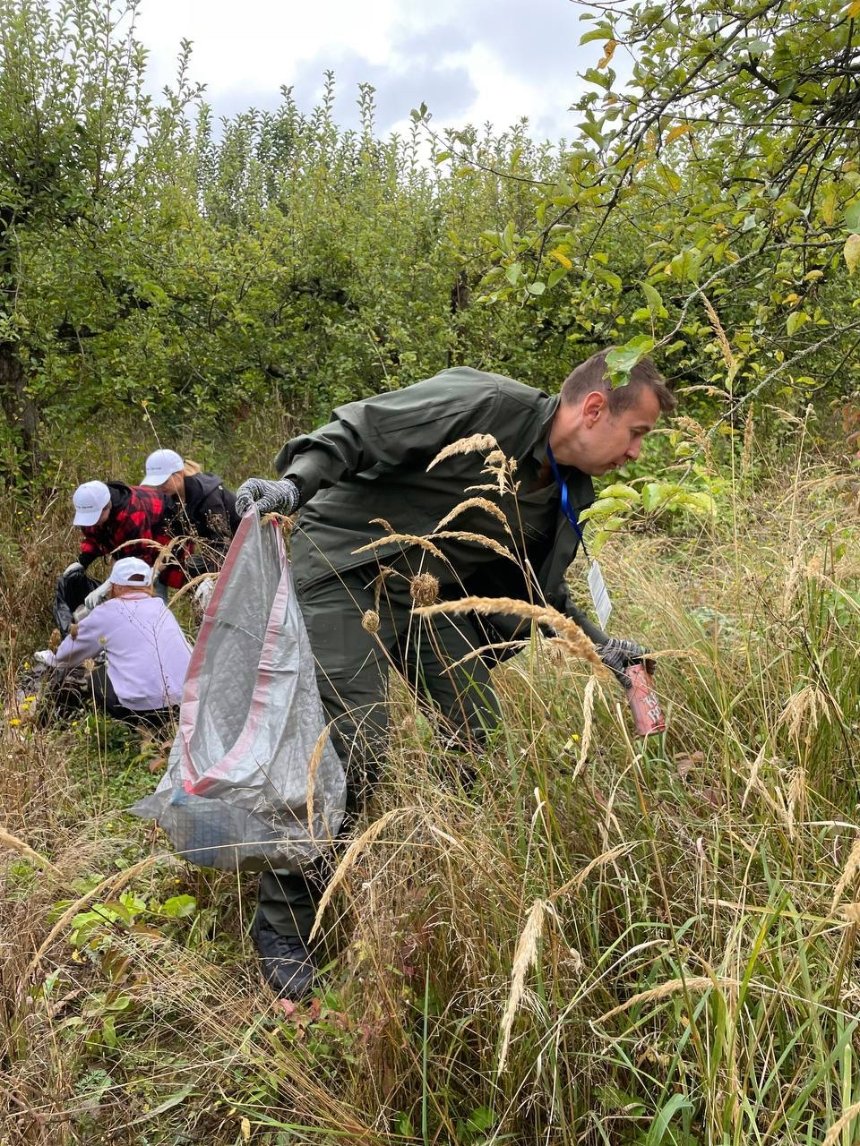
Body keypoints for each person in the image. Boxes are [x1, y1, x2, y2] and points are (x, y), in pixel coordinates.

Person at [235, 349, 677, 998]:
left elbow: (536, 585)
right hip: (345, 564)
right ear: (592, 409)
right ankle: (284, 923)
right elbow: (362, 428)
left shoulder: (567, 487)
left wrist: (602, 646)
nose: (637, 452)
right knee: (354, 745)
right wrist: (295, 485)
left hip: (428, 591)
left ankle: (441, 876)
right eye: (637, 432)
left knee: (476, 735)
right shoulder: (483, 405)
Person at [35, 557, 192, 727]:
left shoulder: (106, 612)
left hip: (140, 709)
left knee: (94, 674)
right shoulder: (161, 608)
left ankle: (126, 730)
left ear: (114, 585)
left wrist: (50, 657)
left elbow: (68, 656)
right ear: (148, 585)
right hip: (183, 703)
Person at [140, 449, 240, 608]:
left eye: (163, 482)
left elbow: (223, 542)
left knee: (204, 570)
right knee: (192, 565)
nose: (160, 487)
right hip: (217, 550)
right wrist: (156, 570)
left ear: (179, 474)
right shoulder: (172, 500)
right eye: (156, 483)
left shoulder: (208, 497)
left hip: (244, 543)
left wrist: (210, 579)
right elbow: (176, 541)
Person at [63, 479, 174, 606]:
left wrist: (107, 585)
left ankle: (157, 615)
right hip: (136, 534)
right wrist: (82, 561)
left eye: (96, 517)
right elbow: (95, 538)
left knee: (148, 580)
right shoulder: (93, 508)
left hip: (162, 527)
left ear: (108, 506)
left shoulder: (132, 512)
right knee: (119, 583)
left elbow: (140, 558)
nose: (92, 522)